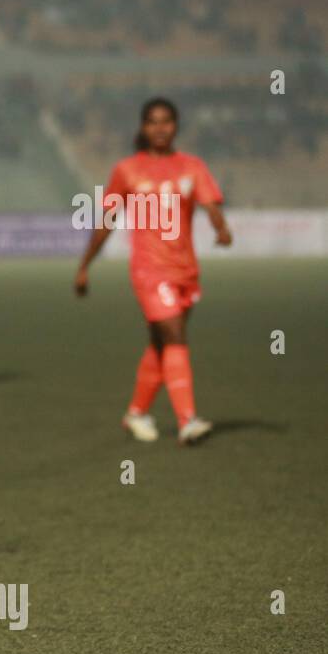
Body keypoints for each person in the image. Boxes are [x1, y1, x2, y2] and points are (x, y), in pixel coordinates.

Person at [75, 97, 233, 445]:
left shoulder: (192, 166)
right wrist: (84, 266)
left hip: (185, 270)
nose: (160, 128)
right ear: (143, 127)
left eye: (166, 121)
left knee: (161, 345)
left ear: (176, 126)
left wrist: (221, 228)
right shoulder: (127, 170)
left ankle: (136, 413)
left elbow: (210, 204)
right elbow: (107, 222)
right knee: (175, 335)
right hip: (149, 270)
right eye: (153, 122)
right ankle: (187, 420)